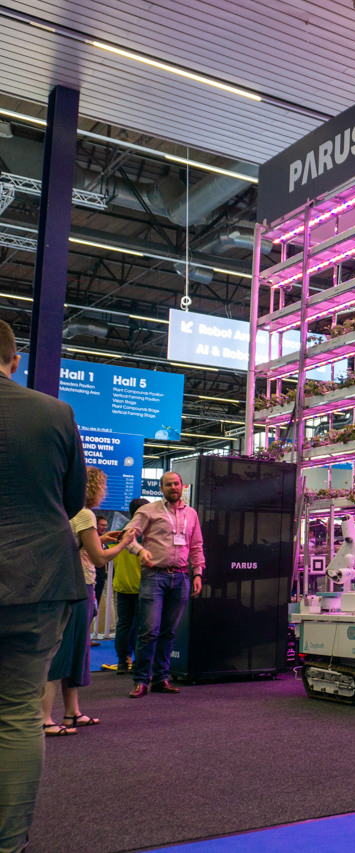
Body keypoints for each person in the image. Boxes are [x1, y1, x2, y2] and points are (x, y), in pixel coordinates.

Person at [0, 318, 88, 853]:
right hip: (39, 579)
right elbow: (72, 500)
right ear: (14, 360)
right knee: (17, 715)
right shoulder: (56, 413)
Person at [42, 467, 135, 735]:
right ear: (95, 487)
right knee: (64, 652)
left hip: (66, 587)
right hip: (78, 587)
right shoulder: (85, 514)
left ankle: (72, 713)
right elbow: (99, 558)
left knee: (75, 651)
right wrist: (124, 543)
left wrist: (100, 539)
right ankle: (44, 719)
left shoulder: (65, 510)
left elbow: (76, 547)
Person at [122, 471, 205, 698]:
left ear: (182, 486)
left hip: (181, 577)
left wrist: (197, 573)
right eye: (168, 484)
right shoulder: (148, 510)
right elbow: (127, 536)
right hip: (154, 576)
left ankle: (161, 679)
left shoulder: (191, 514)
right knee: (149, 631)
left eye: (176, 483)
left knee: (168, 633)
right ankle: (141, 681)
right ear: (161, 488)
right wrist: (140, 551)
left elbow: (196, 545)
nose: (173, 487)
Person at [103, 498, 150, 674]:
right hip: (142, 586)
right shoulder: (146, 535)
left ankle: (123, 661)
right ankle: (138, 662)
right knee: (141, 626)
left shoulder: (118, 533)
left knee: (123, 625)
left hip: (121, 585)